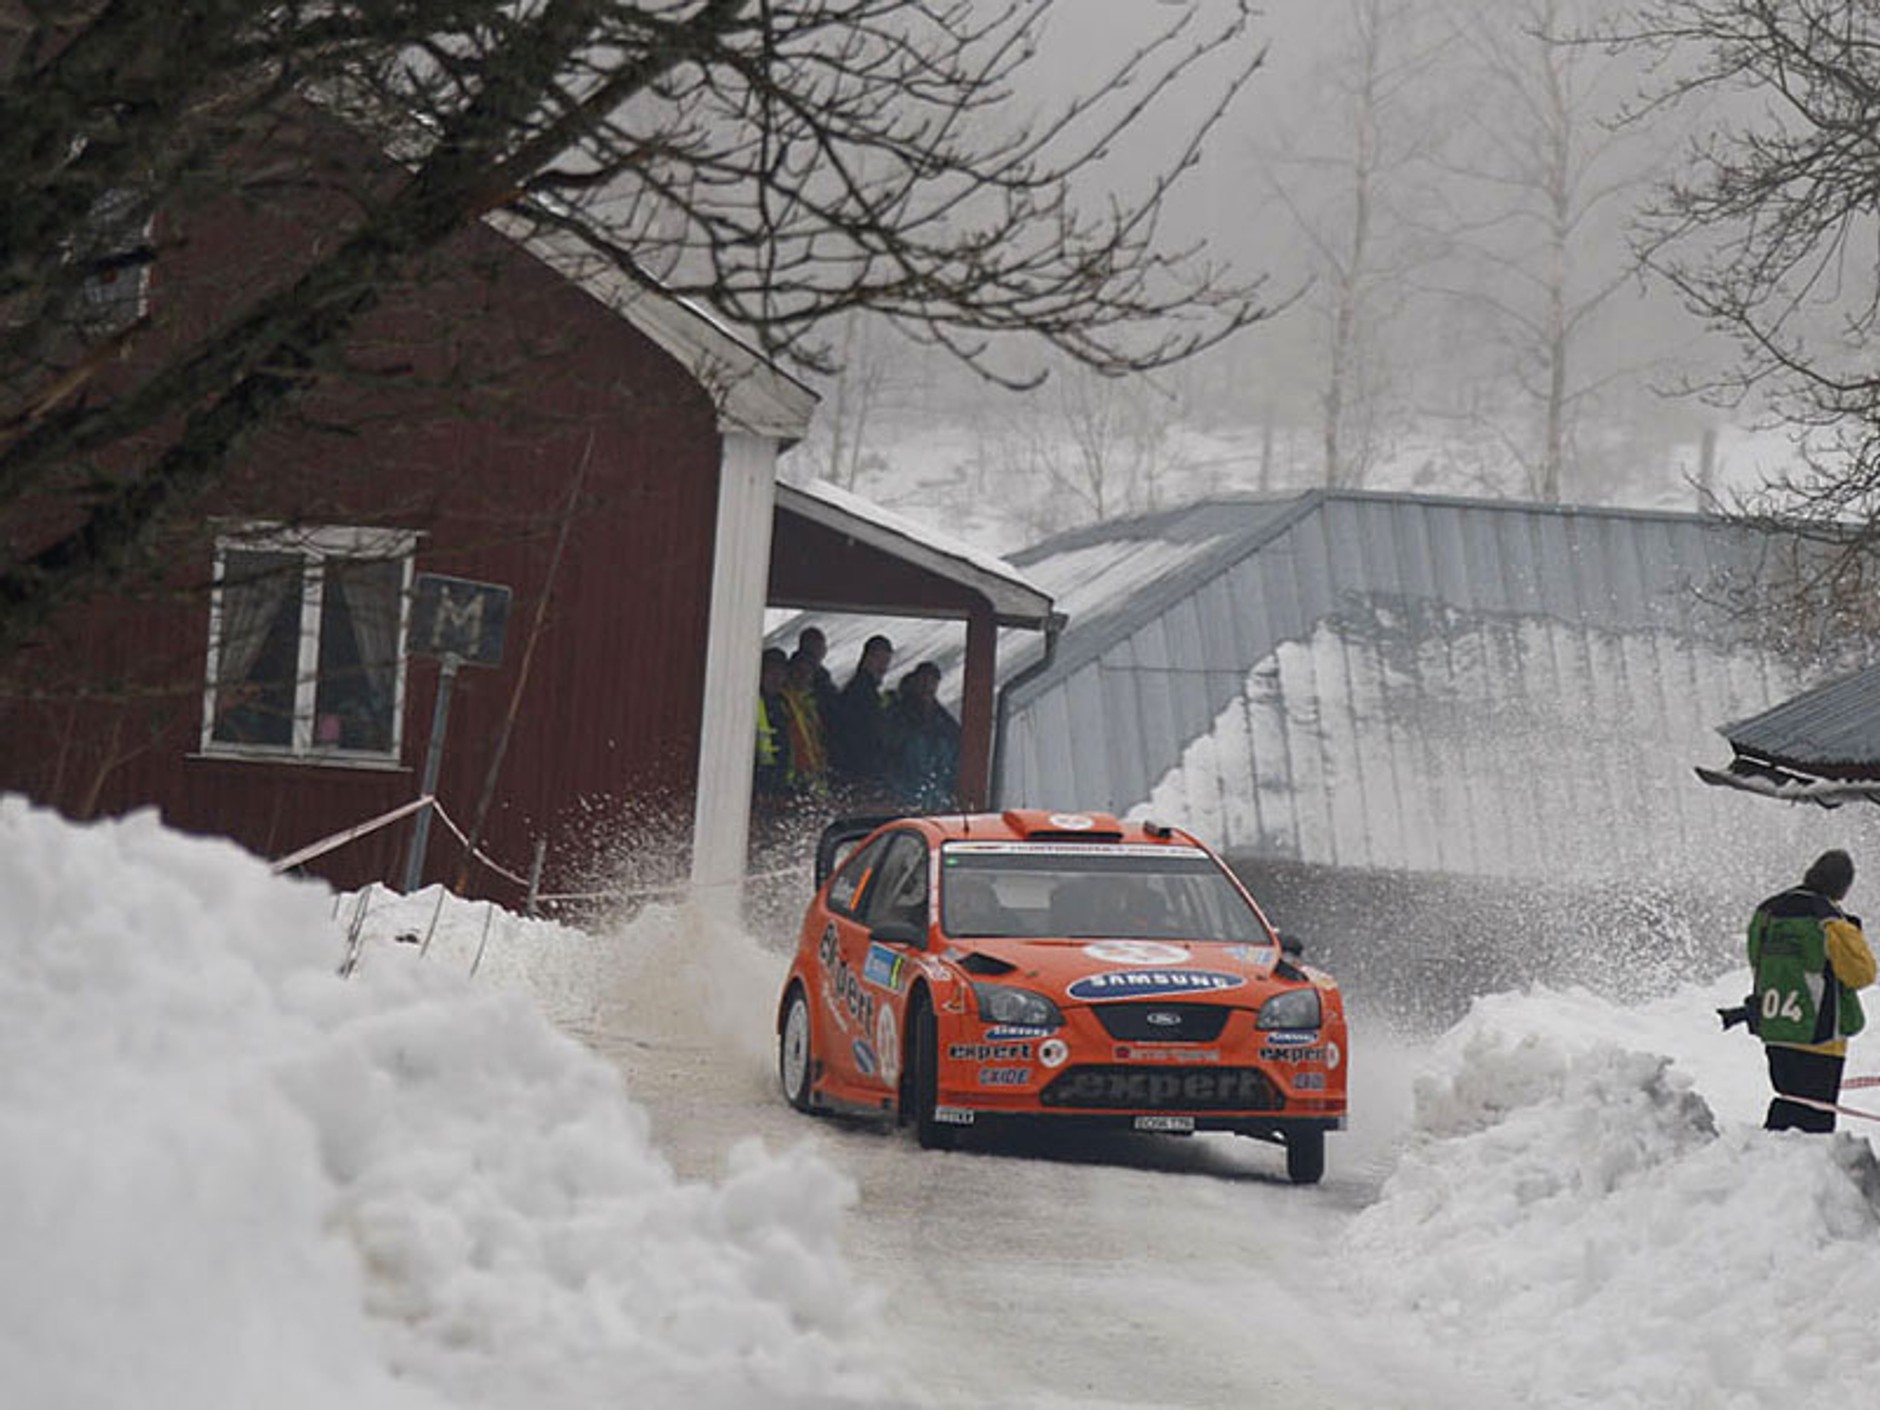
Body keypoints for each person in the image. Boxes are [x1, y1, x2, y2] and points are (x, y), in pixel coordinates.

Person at [1748, 848, 1878, 1132]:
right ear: (1843, 886)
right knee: (1814, 1120)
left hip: (1775, 1027)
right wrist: (1854, 935)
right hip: (1820, 1036)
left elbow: (1756, 958)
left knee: (1789, 1103)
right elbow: (1862, 974)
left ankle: (1765, 1154)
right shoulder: (1829, 919)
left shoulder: (1767, 911)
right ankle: (1795, 1160)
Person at [828, 634, 894, 802]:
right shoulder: (860, 692)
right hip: (859, 772)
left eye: (886, 662)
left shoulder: (864, 690)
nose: (883, 667)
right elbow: (862, 736)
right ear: (868, 658)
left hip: (858, 771)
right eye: (880, 660)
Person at [887, 660, 960, 812]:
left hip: (937, 796)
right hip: (902, 793)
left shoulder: (944, 721)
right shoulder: (898, 714)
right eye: (923, 680)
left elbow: (955, 752)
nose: (927, 686)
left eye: (932, 681)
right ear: (915, 682)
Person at [780, 649, 830, 801]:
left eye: (808, 672)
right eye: (799, 671)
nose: (803, 676)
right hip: (793, 775)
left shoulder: (810, 702)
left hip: (813, 773)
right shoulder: (783, 700)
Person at [753, 647, 793, 801]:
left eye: (780, 672)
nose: (776, 678)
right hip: (757, 786)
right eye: (771, 671)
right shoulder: (750, 701)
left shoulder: (784, 704)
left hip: (779, 786)